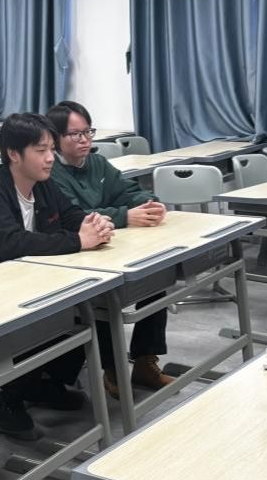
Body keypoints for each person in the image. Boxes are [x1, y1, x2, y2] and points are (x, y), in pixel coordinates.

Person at [0, 112, 114, 437]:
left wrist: (94, 224)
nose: (50, 157)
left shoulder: (43, 185)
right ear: (14, 153)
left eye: (51, 149)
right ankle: (4, 399)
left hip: (27, 283)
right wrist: (78, 241)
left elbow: (72, 215)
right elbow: (13, 243)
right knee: (47, 315)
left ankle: (43, 384)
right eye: (41, 150)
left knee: (88, 305)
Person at [47, 100, 175, 398]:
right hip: (77, 255)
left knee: (155, 276)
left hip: (112, 244)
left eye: (88, 132)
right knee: (103, 296)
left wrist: (149, 203)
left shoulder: (97, 163)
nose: (84, 140)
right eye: (74, 134)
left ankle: (145, 361)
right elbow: (75, 216)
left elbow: (128, 190)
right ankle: (113, 369)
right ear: (55, 138)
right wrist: (124, 216)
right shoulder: (51, 173)